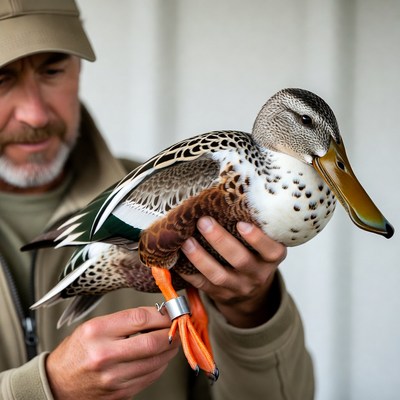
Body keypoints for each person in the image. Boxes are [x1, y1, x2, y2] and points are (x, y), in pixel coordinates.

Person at [0, 0, 314, 399]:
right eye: (1, 79)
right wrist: (44, 388)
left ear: (78, 66)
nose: (35, 114)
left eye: (52, 69)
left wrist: (251, 312)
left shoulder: (184, 183)